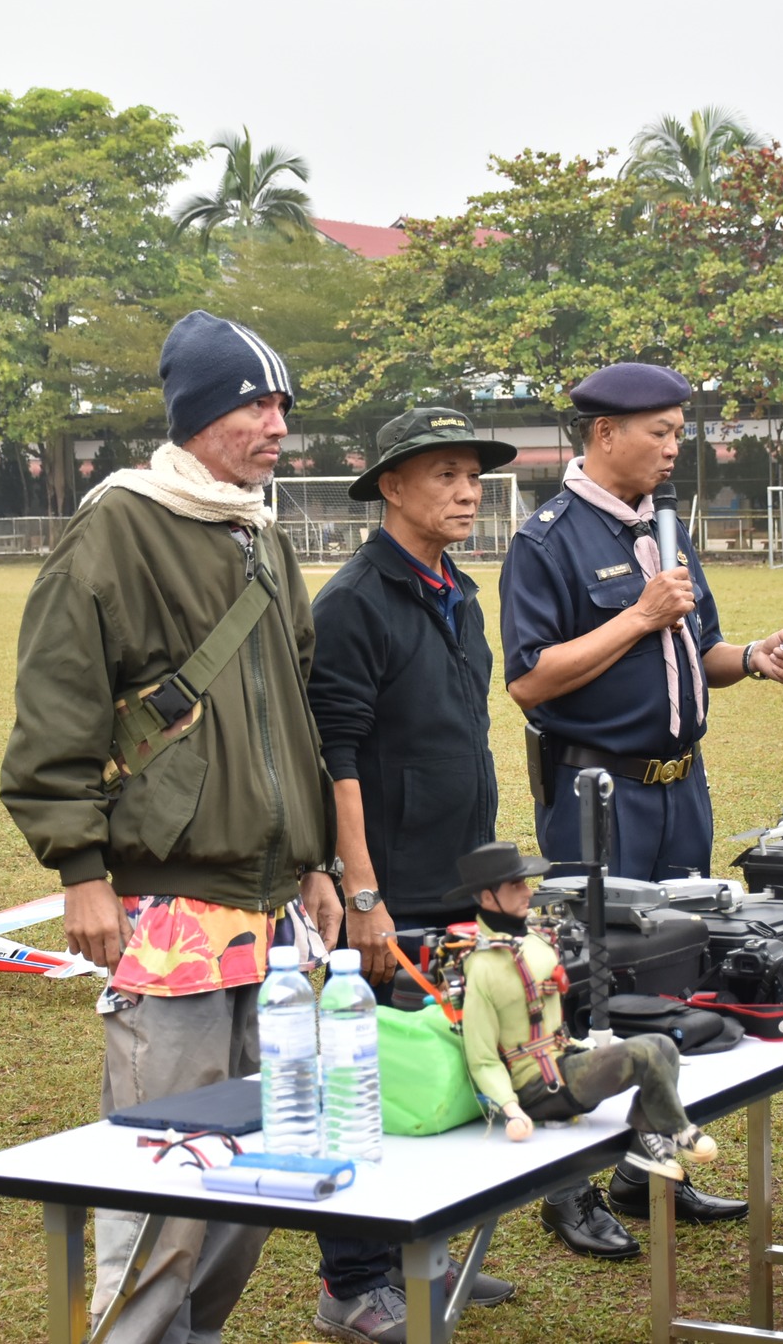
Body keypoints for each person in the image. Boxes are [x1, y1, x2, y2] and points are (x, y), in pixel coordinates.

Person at [0, 309, 342, 1344]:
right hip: (168, 901)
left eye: (283, 405)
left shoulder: (260, 529)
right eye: (255, 404)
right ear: (197, 413)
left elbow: (296, 705)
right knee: (165, 1173)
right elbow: (57, 701)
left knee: (259, 1167)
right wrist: (79, 867)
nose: (277, 425)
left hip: (274, 904)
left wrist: (318, 858)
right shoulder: (117, 525)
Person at [498, 361, 783, 1252]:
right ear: (605, 433)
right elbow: (529, 679)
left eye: (680, 431)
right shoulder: (547, 541)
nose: (676, 448)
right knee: (587, 987)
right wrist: (636, 616)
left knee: (675, 977)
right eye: (661, 432)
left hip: (682, 791)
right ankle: (567, 1190)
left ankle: (646, 1165)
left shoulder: (665, 530)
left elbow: (699, 647)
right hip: (599, 795)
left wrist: (752, 658)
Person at [303, 407, 520, 1343]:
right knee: (365, 1086)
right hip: (388, 891)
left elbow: (461, 736)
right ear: (390, 487)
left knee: (442, 1073)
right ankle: (352, 1283)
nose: (468, 492)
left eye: (474, 475)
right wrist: (363, 894)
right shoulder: (354, 602)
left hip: (457, 877)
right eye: (445, 475)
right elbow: (337, 755)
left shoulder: (460, 591)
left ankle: (420, 1256)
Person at [449, 841, 718, 1170]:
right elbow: (482, 1058)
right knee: (643, 1055)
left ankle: (646, 1137)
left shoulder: (534, 941)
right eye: (515, 885)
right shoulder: (482, 967)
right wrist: (511, 1109)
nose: (527, 892)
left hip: (563, 1059)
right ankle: (679, 1128)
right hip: (536, 1088)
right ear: (488, 897)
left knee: (663, 1045)